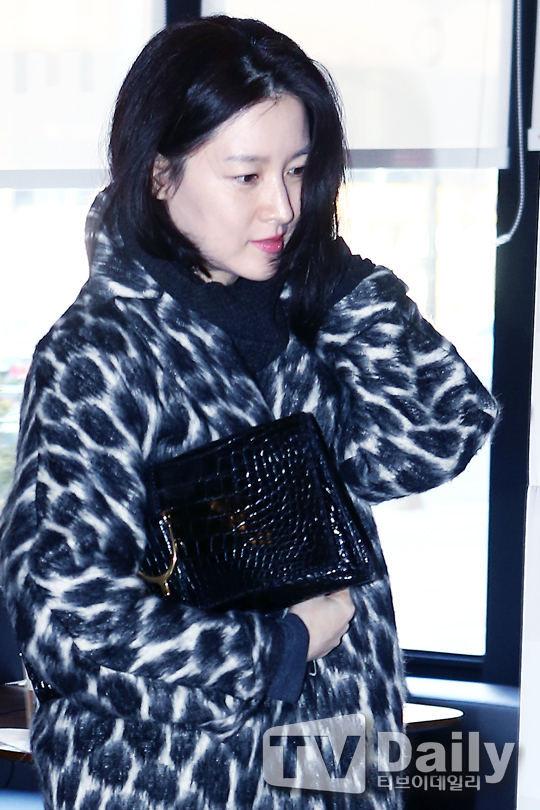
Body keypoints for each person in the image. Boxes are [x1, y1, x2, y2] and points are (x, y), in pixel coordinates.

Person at [0, 15, 497, 810]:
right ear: (159, 176)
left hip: (335, 768)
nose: (282, 207)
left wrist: (347, 287)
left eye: (298, 170)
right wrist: (278, 648)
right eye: (246, 176)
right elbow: (65, 618)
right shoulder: (98, 352)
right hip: (172, 786)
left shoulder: (310, 315)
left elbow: (432, 444)